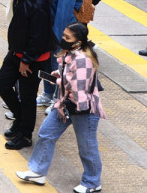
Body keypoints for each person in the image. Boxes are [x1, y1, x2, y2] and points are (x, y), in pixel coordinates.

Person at [16, 23, 105, 192]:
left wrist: (64, 89)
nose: (63, 39)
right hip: (66, 104)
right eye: (63, 35)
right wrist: (60, 76)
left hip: (83, 110)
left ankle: (93, 182)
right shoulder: (69, 54)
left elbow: (80, 93)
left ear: (78, 42)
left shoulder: (82, 60)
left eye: (67, 38)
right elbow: (71, 81)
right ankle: (37, 171)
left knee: (87, 146)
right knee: (46, 133)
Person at [0, 0, 53, 151]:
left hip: (31, 59)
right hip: (16, 53)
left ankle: (25, 134)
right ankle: (20, 119)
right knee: (1, 83)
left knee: (28, 97)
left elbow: (39, 36)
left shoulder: (39, 2)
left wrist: (26, 60)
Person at [39, 0, 82, 107]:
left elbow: (63, 14)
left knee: (60, 66)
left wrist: (56, 39)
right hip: (49, 30)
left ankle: (58, 99)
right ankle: (47, 94)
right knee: (47, 64)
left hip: (61, 33)